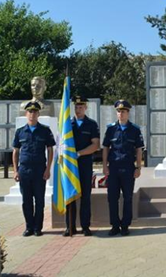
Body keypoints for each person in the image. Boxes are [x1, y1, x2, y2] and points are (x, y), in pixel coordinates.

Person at [12, 101, 55, 237]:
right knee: (26, 201)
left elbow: (50, 149)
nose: (32, 114)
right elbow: (15, 152)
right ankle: (29, 227)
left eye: (35, 112)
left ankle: (38, 228)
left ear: (38, 114)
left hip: (39, 170)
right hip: (24, 170)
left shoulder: (45, 130)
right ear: (26, 114)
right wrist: (15, 170)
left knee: (39, 200)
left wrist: (48, 169)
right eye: (30, 112)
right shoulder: (20, 132)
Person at [102, 100, 144, 237]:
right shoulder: (111, 129)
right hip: (113, 168)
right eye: (119, 111)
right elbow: (105, 148)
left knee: (128, 197)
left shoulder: (135, 130)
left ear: (128, 113)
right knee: (112, 198)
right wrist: (104, 166)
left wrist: (138, 167)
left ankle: (125, 225)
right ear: (116, 113)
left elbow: (138, 150)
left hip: (128, 168)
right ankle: (115, 225)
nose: (121, 114)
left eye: (124, 111)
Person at [63, 96, 100, 237]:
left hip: (84, 164)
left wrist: (79, 153)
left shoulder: (91, 124)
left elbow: (95, 145)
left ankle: (85, 226)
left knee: (85, 196)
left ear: (85, 107)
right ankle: (70, 227)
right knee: (70, 196)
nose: (78, 110)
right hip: (70, 166)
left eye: (80, 107)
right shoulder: (67, 125)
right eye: (76, 107)